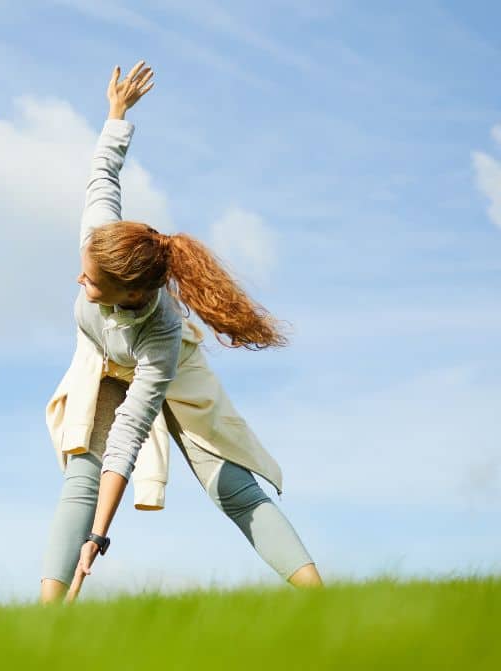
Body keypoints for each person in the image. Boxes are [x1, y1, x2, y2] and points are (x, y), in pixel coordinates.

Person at [42, 63, 323, 603]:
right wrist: (117, 114)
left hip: (166, 368)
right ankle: (44, 620)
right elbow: (104, 173)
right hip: (99, 359)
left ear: (132, 294)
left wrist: (100, 536)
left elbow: (130, 433)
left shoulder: (162, 335)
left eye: (92, 283)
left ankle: (322, 599)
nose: (80, 280)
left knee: (229, 484)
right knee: (82, 473)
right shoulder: (100, 239)